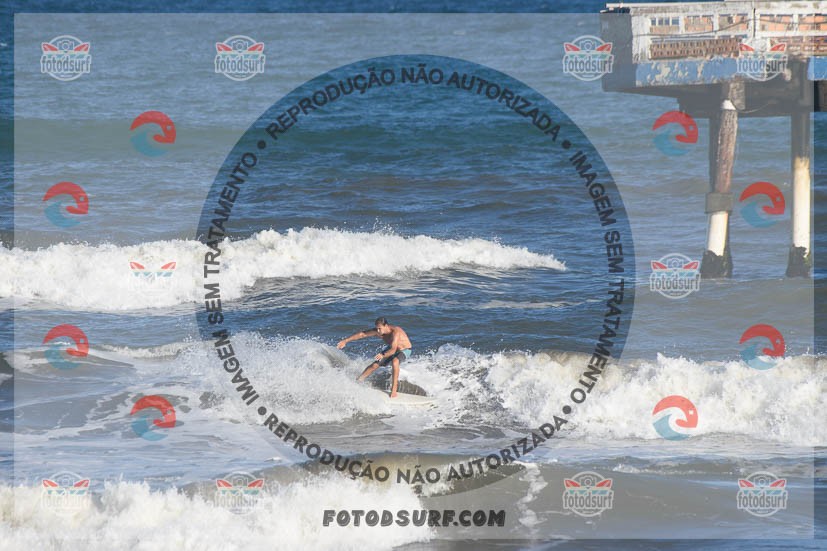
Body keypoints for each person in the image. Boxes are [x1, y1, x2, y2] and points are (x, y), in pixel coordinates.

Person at [337, 317, 412, 398]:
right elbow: (362, 334)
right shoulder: (378, 331)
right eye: (377, 328)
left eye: (380, 328)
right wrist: (345, 341)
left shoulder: (395, 332)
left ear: (386, 326)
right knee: (374, 365)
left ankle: (394, 389)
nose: (378, 331)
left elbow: (393, 350)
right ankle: (358, 381)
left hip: (404, 350)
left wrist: (383, 355)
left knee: (395, 361)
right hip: (391, 349)